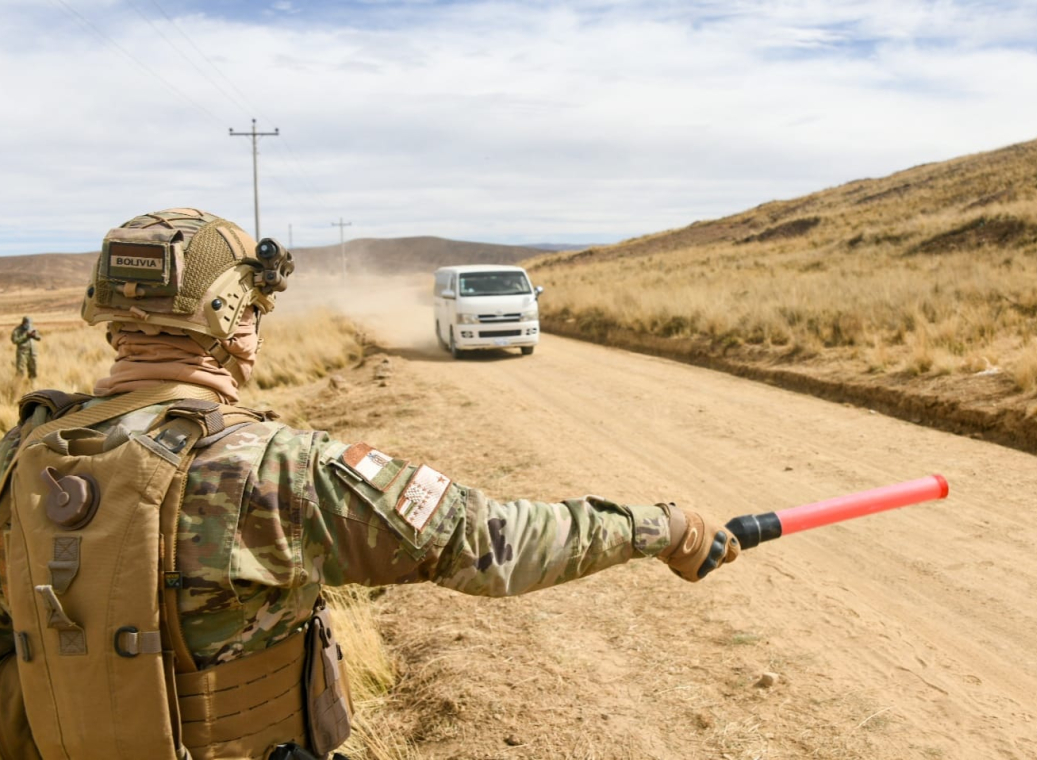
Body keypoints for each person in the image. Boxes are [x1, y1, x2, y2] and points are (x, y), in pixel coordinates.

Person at [0, 209, 740, 760]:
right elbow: (494, 544)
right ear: (232, 324)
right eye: (254, 310)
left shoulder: (20, 455)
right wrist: (663, 527)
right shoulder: (279, 471)